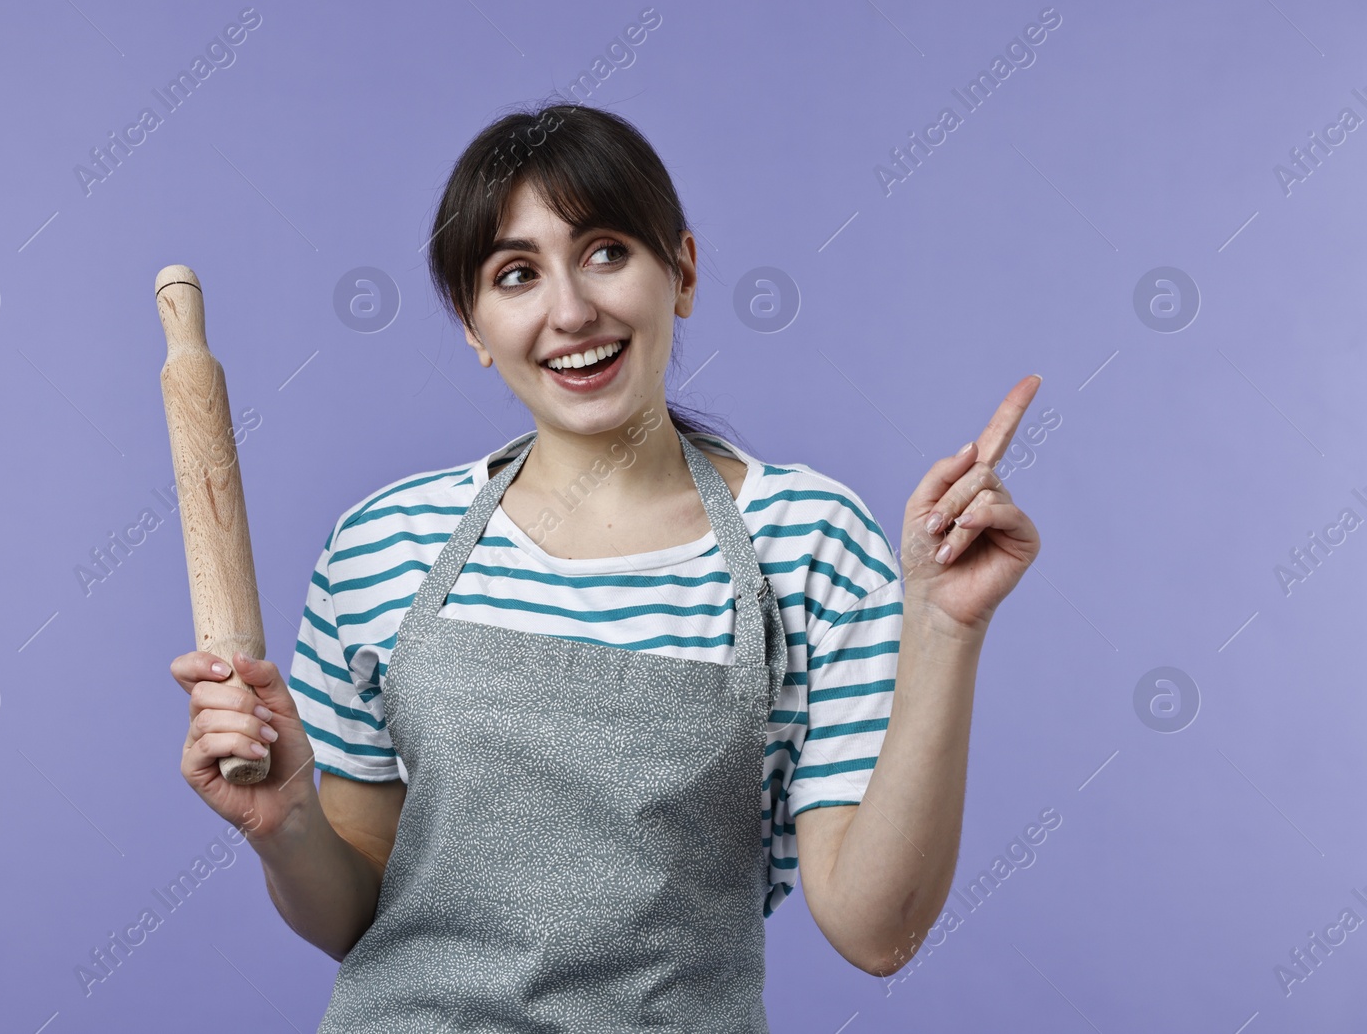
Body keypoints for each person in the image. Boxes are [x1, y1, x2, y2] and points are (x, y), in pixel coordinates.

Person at [168, 101, 1042, 1031]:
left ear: (685, 271)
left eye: (606, 251)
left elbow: (881, 933)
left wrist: (946, 627)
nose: (571, 310)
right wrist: (287, 824)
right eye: (515, 274)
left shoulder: (810, 541)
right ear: (473, 323)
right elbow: (352, 918)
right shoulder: (386, 544)